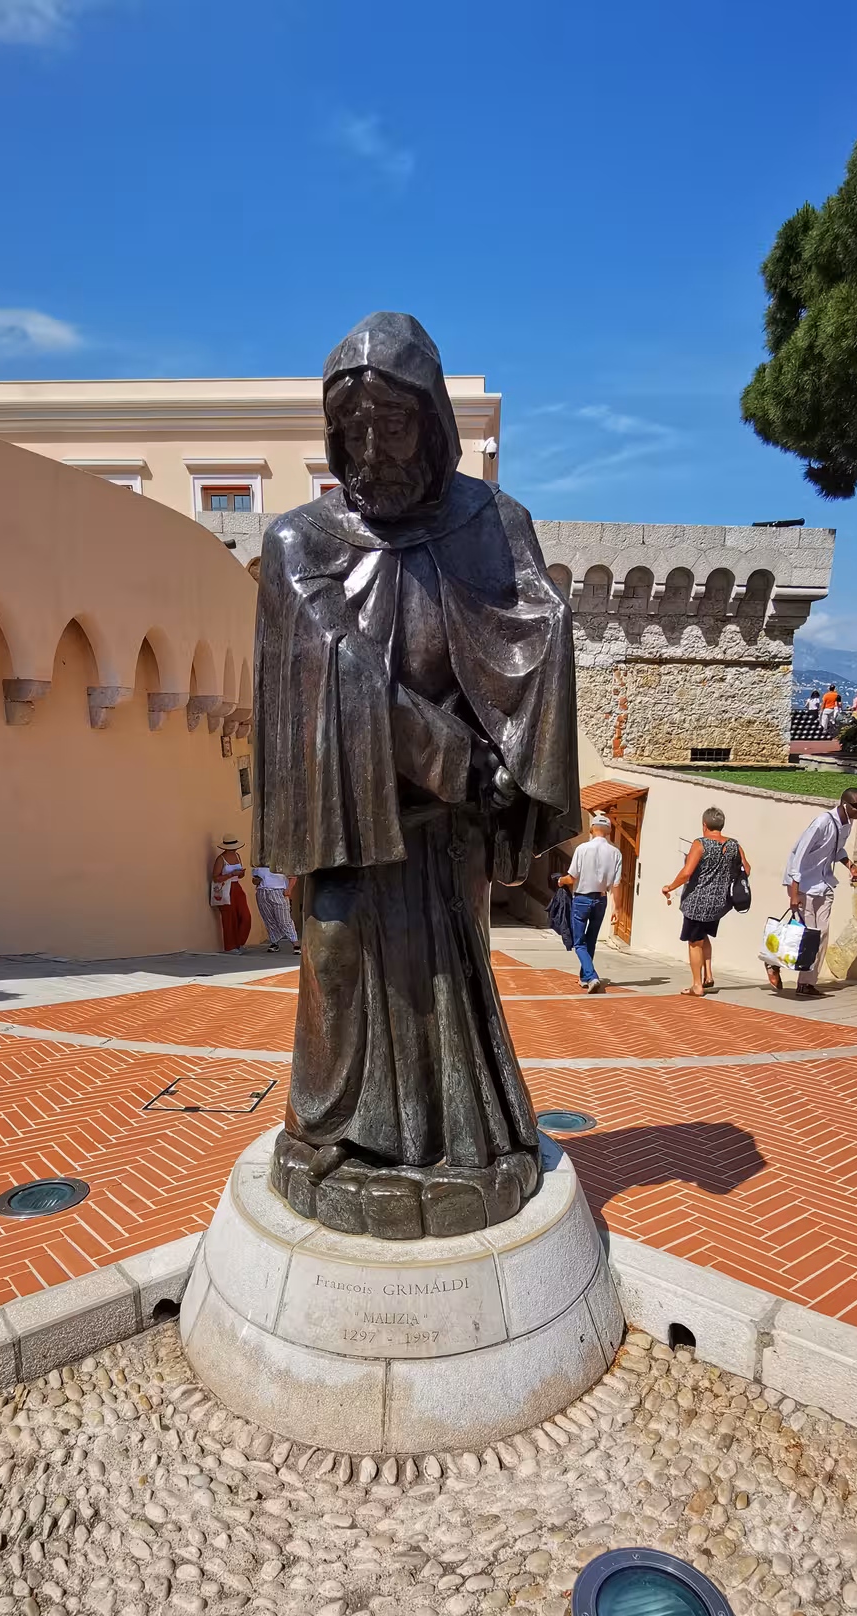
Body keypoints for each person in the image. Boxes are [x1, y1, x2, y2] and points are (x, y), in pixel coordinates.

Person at [253, 312, 580, 1235]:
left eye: (391, 423)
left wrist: (510, 749)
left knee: (446, 975)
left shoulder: (492, 522)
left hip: (448, 834)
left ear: (432, 421)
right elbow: (330, 665)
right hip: (350, 816)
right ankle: (335, 1136)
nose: (369, 446)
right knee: (337, 951)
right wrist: (447, 754)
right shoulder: (298, 542)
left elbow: (539, 628)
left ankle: (454, 1144)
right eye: (351, 425)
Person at [766, 787, 857, 998]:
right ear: (844, 805)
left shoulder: (846, 825)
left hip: (824, 883)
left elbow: (836, 850)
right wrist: (793, 894)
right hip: (803, 884)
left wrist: (850, 866)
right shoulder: (821, 823)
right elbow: (799, 855)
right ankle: (773, 961)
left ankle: (806, 983)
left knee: (820, 934)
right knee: (805, 934)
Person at [663, 807, 750, 997]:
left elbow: (687, 873)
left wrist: (669, 887)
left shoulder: (700, 844)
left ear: (704, 824)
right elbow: (747, 869)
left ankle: (696, 985)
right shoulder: (734, 844)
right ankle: (708, 976)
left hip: (698, 902)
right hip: (719, 903)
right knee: (704, 936)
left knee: (694, 942)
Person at [558, 812, 623, 993]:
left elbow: (572, 878)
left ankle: (592, 976)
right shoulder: (616, 853)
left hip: (582, 899)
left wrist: (560, 881)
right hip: (601, 899)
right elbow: (616, 884)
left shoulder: (582, 849)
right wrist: (617, 908)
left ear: (592, 829)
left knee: (579, 943)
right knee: (591, 940)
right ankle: (584, 977)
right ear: (609, 832)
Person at [211, 835, 251, 952]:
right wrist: (231, 874)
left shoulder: (237, 856)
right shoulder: (221, 859)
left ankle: (239, 943)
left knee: (245, 917)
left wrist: (240, 873)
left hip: (237, 887)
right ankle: (230, 947)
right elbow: (215, 878)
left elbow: (240, 874)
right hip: (226, 889)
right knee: (229, 918)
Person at [252, 862, 301, 952]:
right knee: (268, 918)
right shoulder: (260, 864)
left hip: (278, 891)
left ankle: (295, 943)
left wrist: (288, 890)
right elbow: (255, 880)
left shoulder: (282, 861)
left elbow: (293, 877)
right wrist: (257, 881)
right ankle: (274, 942)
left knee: (284, 919)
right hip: (263, 891)